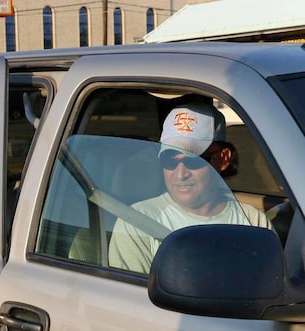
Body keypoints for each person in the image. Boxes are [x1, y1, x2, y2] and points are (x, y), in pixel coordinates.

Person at [108, 102, 272, 274]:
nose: (180, 174)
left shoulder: (253, 222)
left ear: (223, 158)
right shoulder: (136, 222)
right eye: (169, 160)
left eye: (194, 160)